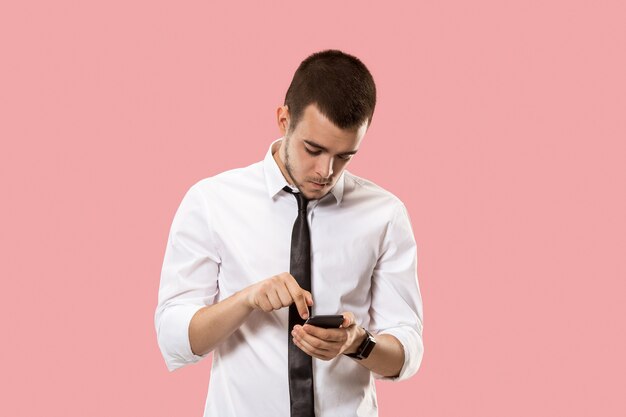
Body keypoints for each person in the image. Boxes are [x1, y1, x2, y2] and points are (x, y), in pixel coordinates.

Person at [155, 49, 424, 417]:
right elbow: (174, 337)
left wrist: (357, 343)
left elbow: (406, 350)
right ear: (284, 119)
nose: (325, 171)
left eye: (345, 156)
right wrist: (246, 300)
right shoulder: (211, 202)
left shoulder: (385, 215)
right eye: (313, 149)